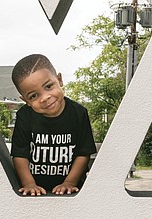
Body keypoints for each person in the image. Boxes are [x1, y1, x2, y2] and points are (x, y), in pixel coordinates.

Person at [11, 54, 97, 196]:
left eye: (48, 86)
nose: (45, 98)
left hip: (71, 191)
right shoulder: (25, 116)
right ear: (25, 100)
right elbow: (20, 155)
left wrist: (70, 182)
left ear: (59, 80)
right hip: (35, 191)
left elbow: (83, 154)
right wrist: (29, 184)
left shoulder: (78, 113)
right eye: (33, 96)